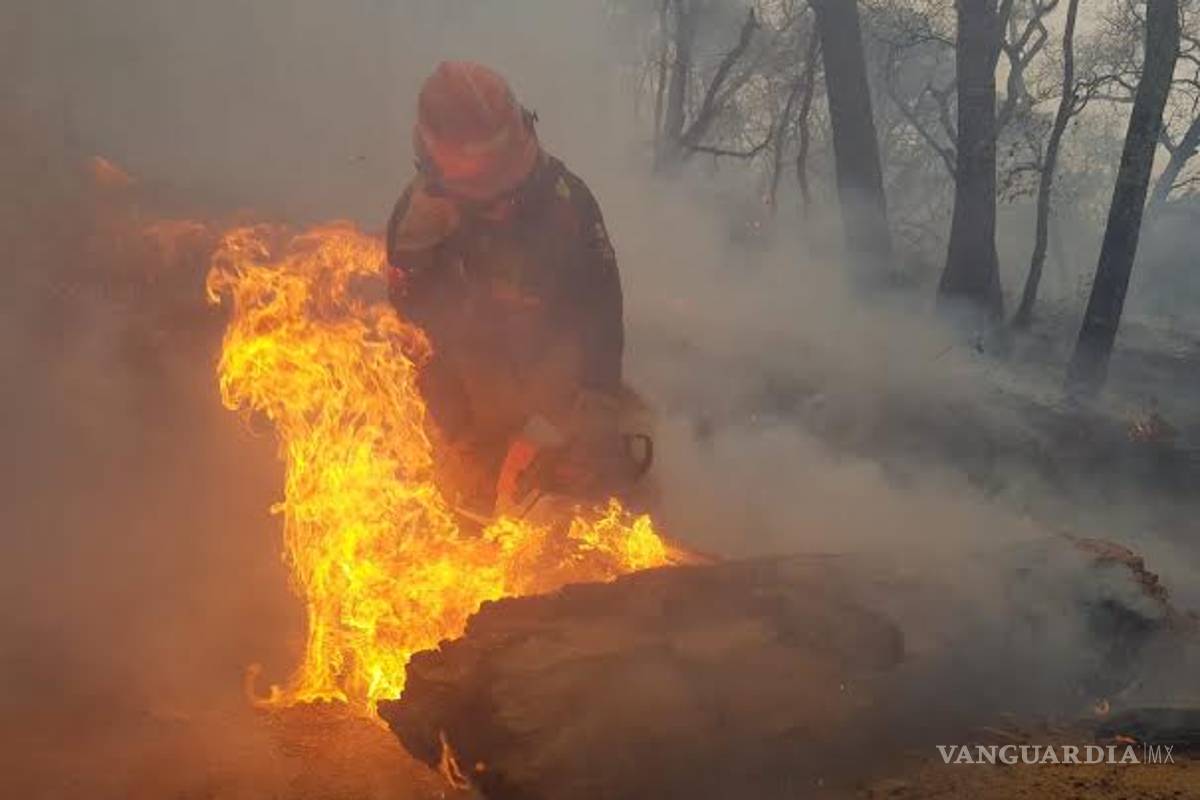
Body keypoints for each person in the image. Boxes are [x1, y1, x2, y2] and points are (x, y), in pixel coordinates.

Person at [385, 61, 647, 518]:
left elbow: (602, 308)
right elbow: (416, 339)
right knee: (473, 512)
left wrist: (600, 406)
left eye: (507, 183)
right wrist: (462, 438)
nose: (502, 207)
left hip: (558, 371)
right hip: (471, 388)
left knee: (609, 469)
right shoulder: (419, 228)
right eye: (485, 194)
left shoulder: (567, 200)